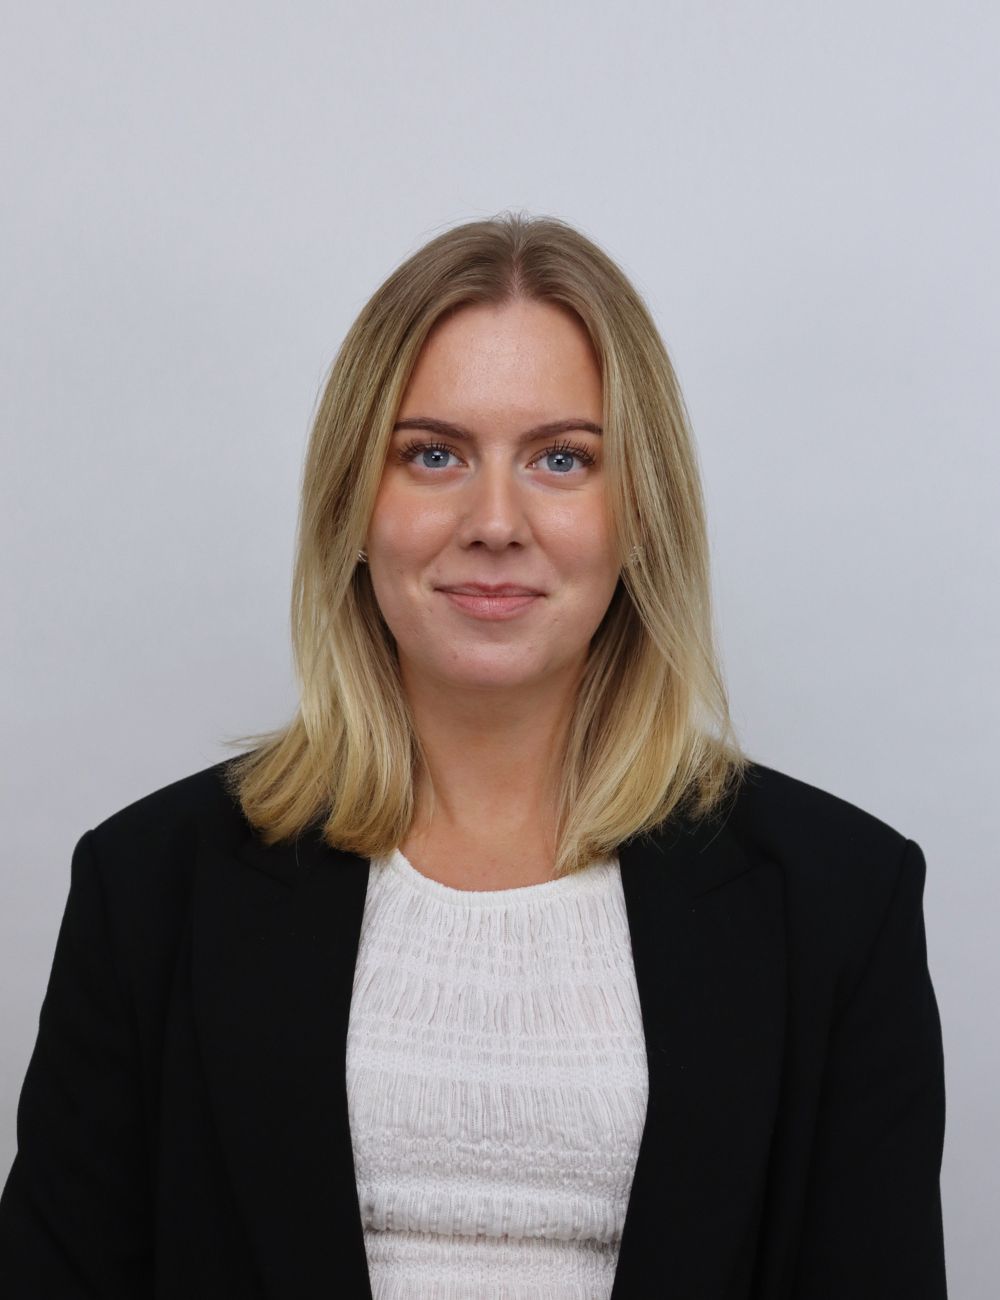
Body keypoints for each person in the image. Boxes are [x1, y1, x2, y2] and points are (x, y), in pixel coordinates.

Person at [0, 213, 947, 1299]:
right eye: (433, 453)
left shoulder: (838, 901)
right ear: (355, 502)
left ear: (640, 512)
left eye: (561, 458)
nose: (494, 520)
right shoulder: (149, 888)